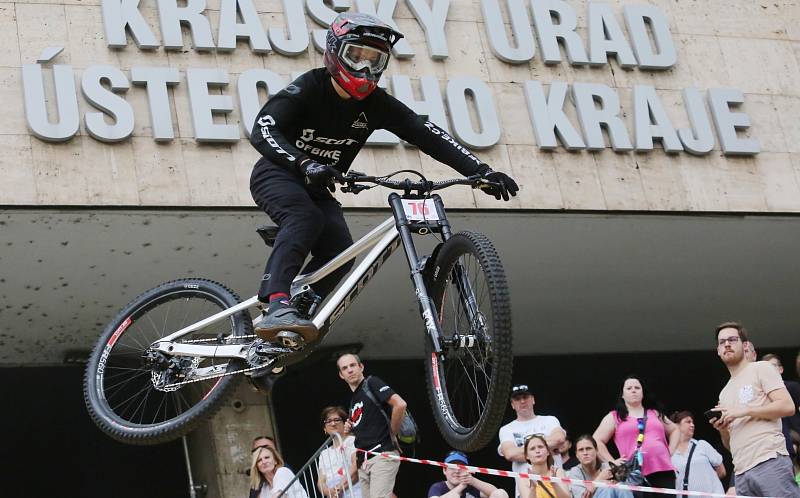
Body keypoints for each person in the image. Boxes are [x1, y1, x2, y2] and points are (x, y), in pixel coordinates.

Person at [248, 12, 519, 342]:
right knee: (304, 219)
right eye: (356, 57)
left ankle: (295, 311)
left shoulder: (376, 105)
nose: (364, 69)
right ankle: (276, 303)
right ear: (334, 53)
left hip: (318, 187)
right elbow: (264, 129)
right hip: (279, 173)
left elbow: (425, 132)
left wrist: (481, 172)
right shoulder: (308, 88)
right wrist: (305, 164)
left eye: (375, 62)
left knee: (340, 254)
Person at [711, 321, 799, 497]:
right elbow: (730, 445)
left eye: (732, 339)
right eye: (722, 342)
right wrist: (723, 431)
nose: (726, 344)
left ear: (744, 346)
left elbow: (787, 406)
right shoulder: (724, 393)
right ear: (718, 351)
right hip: (741, 471)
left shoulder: (761, 368)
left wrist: (744, 410)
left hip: (769, 461)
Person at [592, 375, 679, 498]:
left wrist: (670, 451)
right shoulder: (615, 417)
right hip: (634, 472)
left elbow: (675, 429)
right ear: (622, 394)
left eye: (637, 387)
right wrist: (612, 461)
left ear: (643, 393)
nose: (633, 390)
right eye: (629, 388)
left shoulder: (654, 413)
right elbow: (596, 440)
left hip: (662, 468)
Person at [338, 353, 406, 498]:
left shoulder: (372, 383)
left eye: (352, 365)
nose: (350, 370)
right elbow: (368, 429)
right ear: (341, 375)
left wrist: (393, 433)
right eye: (345, 368)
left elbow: (400, 405)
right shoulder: (353, 400)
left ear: (361, 367)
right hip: (364, 462)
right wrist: (350, 429)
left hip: (382, 455)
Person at [498, 384, 567, 497]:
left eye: (525, 397)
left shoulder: (550, 420)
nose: (522, 401)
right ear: (512, 404)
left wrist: (524, 452)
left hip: (557, 488)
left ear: (533, 400)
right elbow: (510, 454)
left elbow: (559, 439)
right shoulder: (506, 429)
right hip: (526, 490)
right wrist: (548, 449)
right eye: (517, 399)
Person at [668, 411, 725, 494]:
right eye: (688, 422)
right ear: (676, 426)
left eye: (692, 422)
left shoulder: (702, 445)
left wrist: (708, 482)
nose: (692, 425)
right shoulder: (669, 453)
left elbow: (722, 471)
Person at [566, 435, 633, 498]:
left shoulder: (607, 467)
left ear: (596, 450)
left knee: (621, 487)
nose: (585, 453)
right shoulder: (575, 472)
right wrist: (600, 479)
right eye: (581, 450)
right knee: (606, 488)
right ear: (577, 454)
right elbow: (583, 496)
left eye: (588, 448)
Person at [762, 353, 800, 462]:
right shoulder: (761, 394)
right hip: (774, 445)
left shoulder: (793, 387)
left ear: (781, 369)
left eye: (773, 366)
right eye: (766, 368)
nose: (770, 370)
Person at [318, 406, 361, 498]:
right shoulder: (324, 453)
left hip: (354, 490)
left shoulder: (352, 441)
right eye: (328, 421)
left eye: (337, 420)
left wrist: (339, 488)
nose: (333, 423)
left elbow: (356, 466)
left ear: (344, 423)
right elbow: (321, 481)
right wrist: (329, 492)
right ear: (324, 429)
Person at [427, 450, 509, 498]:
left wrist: (472, 480)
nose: (457, 470)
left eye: (461, 467)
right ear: (444, 470)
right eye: (452, 467)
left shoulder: (471, 486)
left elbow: (496, 493)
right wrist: (462, 485)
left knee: (501, 492)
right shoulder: (437, 487)